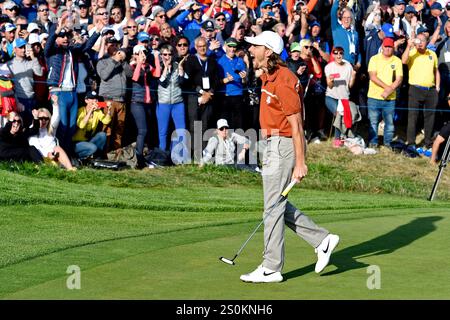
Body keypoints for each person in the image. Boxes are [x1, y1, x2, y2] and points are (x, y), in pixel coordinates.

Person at [240, 31, 339, 283]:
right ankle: (322, 239)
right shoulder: (269, 76)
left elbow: (297, 125)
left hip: (283, 145)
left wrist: (301, 161)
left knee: (272, 208)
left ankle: (272, 267)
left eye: (256, 47)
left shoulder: (283, 79)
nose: (251, 50)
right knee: (276, 205)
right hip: (273, 144)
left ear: (269, 51)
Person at [402, 32, 440, 150]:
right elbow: (403, 61)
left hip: (431, 90)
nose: (419, 43)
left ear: (427, 42)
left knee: (430, 117)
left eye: (422, 40)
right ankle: (412, 143)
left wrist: (437, 86)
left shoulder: (432, 54)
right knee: (413, 116)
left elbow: (436, 70)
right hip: (415, 89)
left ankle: (428, 143)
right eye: (417, 40)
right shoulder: (412, 53)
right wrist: (408, 46)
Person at [367, 37, 403, 148]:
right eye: (386, 46)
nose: (387, 49)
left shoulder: (397, 61)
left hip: (390, 98)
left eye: (390, 47)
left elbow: (399, 78)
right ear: (382, 47)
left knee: (390, 123)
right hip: (374, 96)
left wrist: (390, 90)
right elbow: (372, 76)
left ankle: (388, 143)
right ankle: (373, 142)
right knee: (373, 122)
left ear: (393, 48)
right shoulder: (374, 59)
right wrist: (387, 88)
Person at [324, 46, 356, 147]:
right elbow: (329, 85)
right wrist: (330, 80)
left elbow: (350, 86)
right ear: (333, 55)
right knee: (338, 113)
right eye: (336, 53)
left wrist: (354, 76)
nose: (338, 55)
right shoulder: (329, 67)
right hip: (331, 96)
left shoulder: (348, 66)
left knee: (345, 115)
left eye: (340, 53)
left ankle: (342, 137)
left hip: (344, 97)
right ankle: (337, 139)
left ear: (343, 54)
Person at [72, 90, 111, 161]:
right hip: (77, 143)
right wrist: (90, 110)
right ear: (86, 101)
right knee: (93, 147)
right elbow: (81, 125)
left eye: (96, 99)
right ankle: (77, 158)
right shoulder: (81, 110)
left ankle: (97, 159)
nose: (95, 100)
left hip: (88, 140)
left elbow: (106, 121)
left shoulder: (97, 111)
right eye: (92, 99)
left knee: (102, 135)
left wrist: (108, 111)